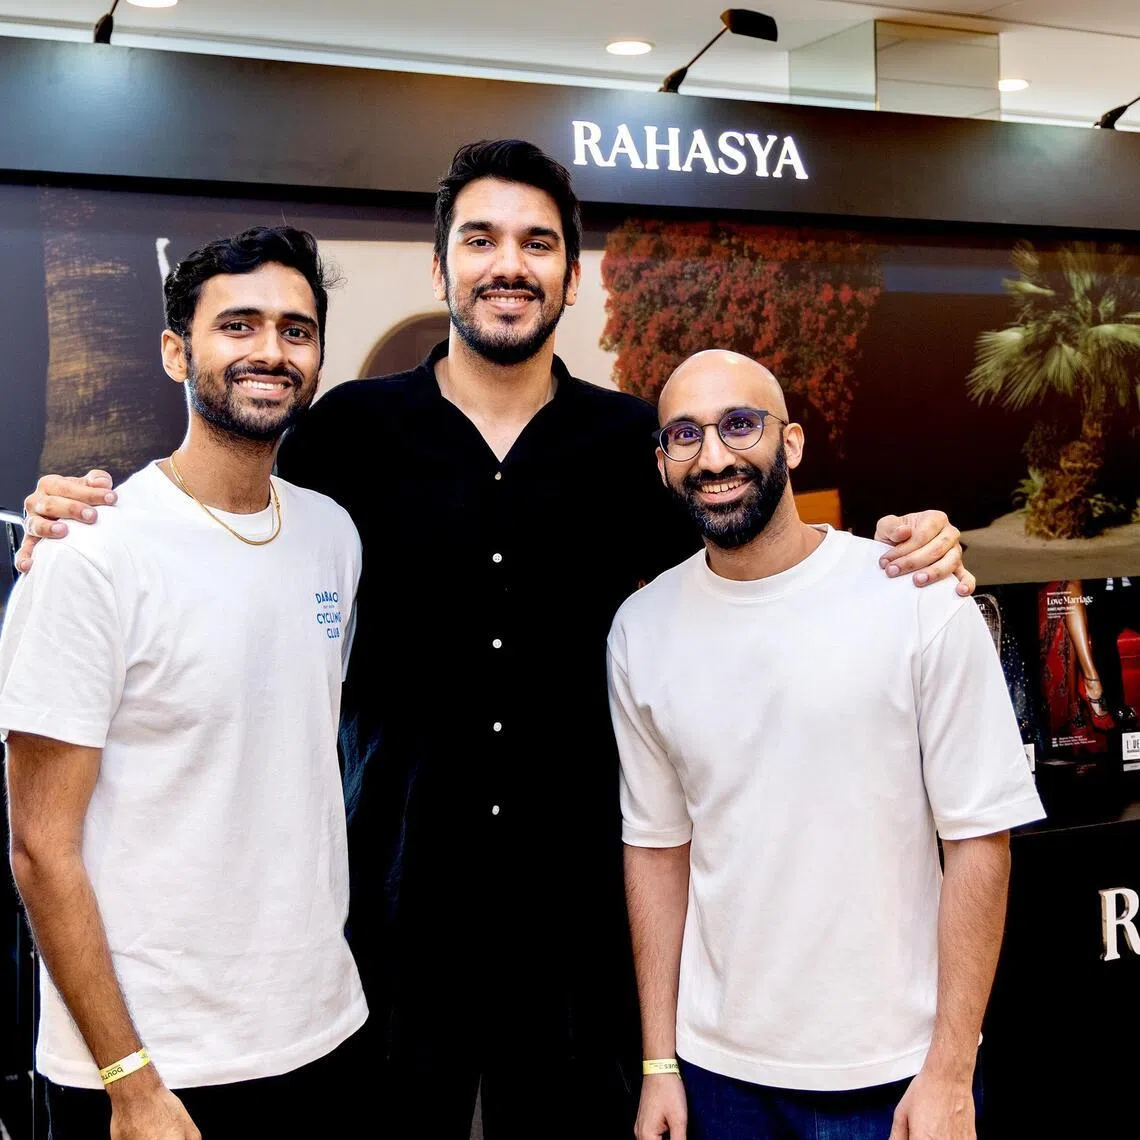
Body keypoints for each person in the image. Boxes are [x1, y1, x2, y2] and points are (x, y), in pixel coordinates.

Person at [16, 141, 974, 1140]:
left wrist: (902, 548)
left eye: (536, 243)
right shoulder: (347, 434)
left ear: (571, 276)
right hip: (386, 929)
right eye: (480, 240)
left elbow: (759, 557)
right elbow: (226, 501)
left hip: (582, 934)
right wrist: (77, 514)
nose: (507, 264)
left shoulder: (633, 445)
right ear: (442, 268)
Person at [610, 350, 1045, 1140]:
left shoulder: (914, 594)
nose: (714, 456)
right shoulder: (641, 629)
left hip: (896, 1074)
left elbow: (981, 840)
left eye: (740, 424)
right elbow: (657, 850)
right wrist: (659, 1062)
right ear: (663, 461)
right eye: (685, 434)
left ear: (793, 442)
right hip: (717, 1077)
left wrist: (951, 1069)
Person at [0, 227, 366, 1139]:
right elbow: (40, 846)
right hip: (152, 1070)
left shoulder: (332, 536)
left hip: (320, 1036)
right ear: (175, 352)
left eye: (295, 329)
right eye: (237, 325)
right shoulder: (89, 552)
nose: (270, 350)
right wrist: (130, 1081)